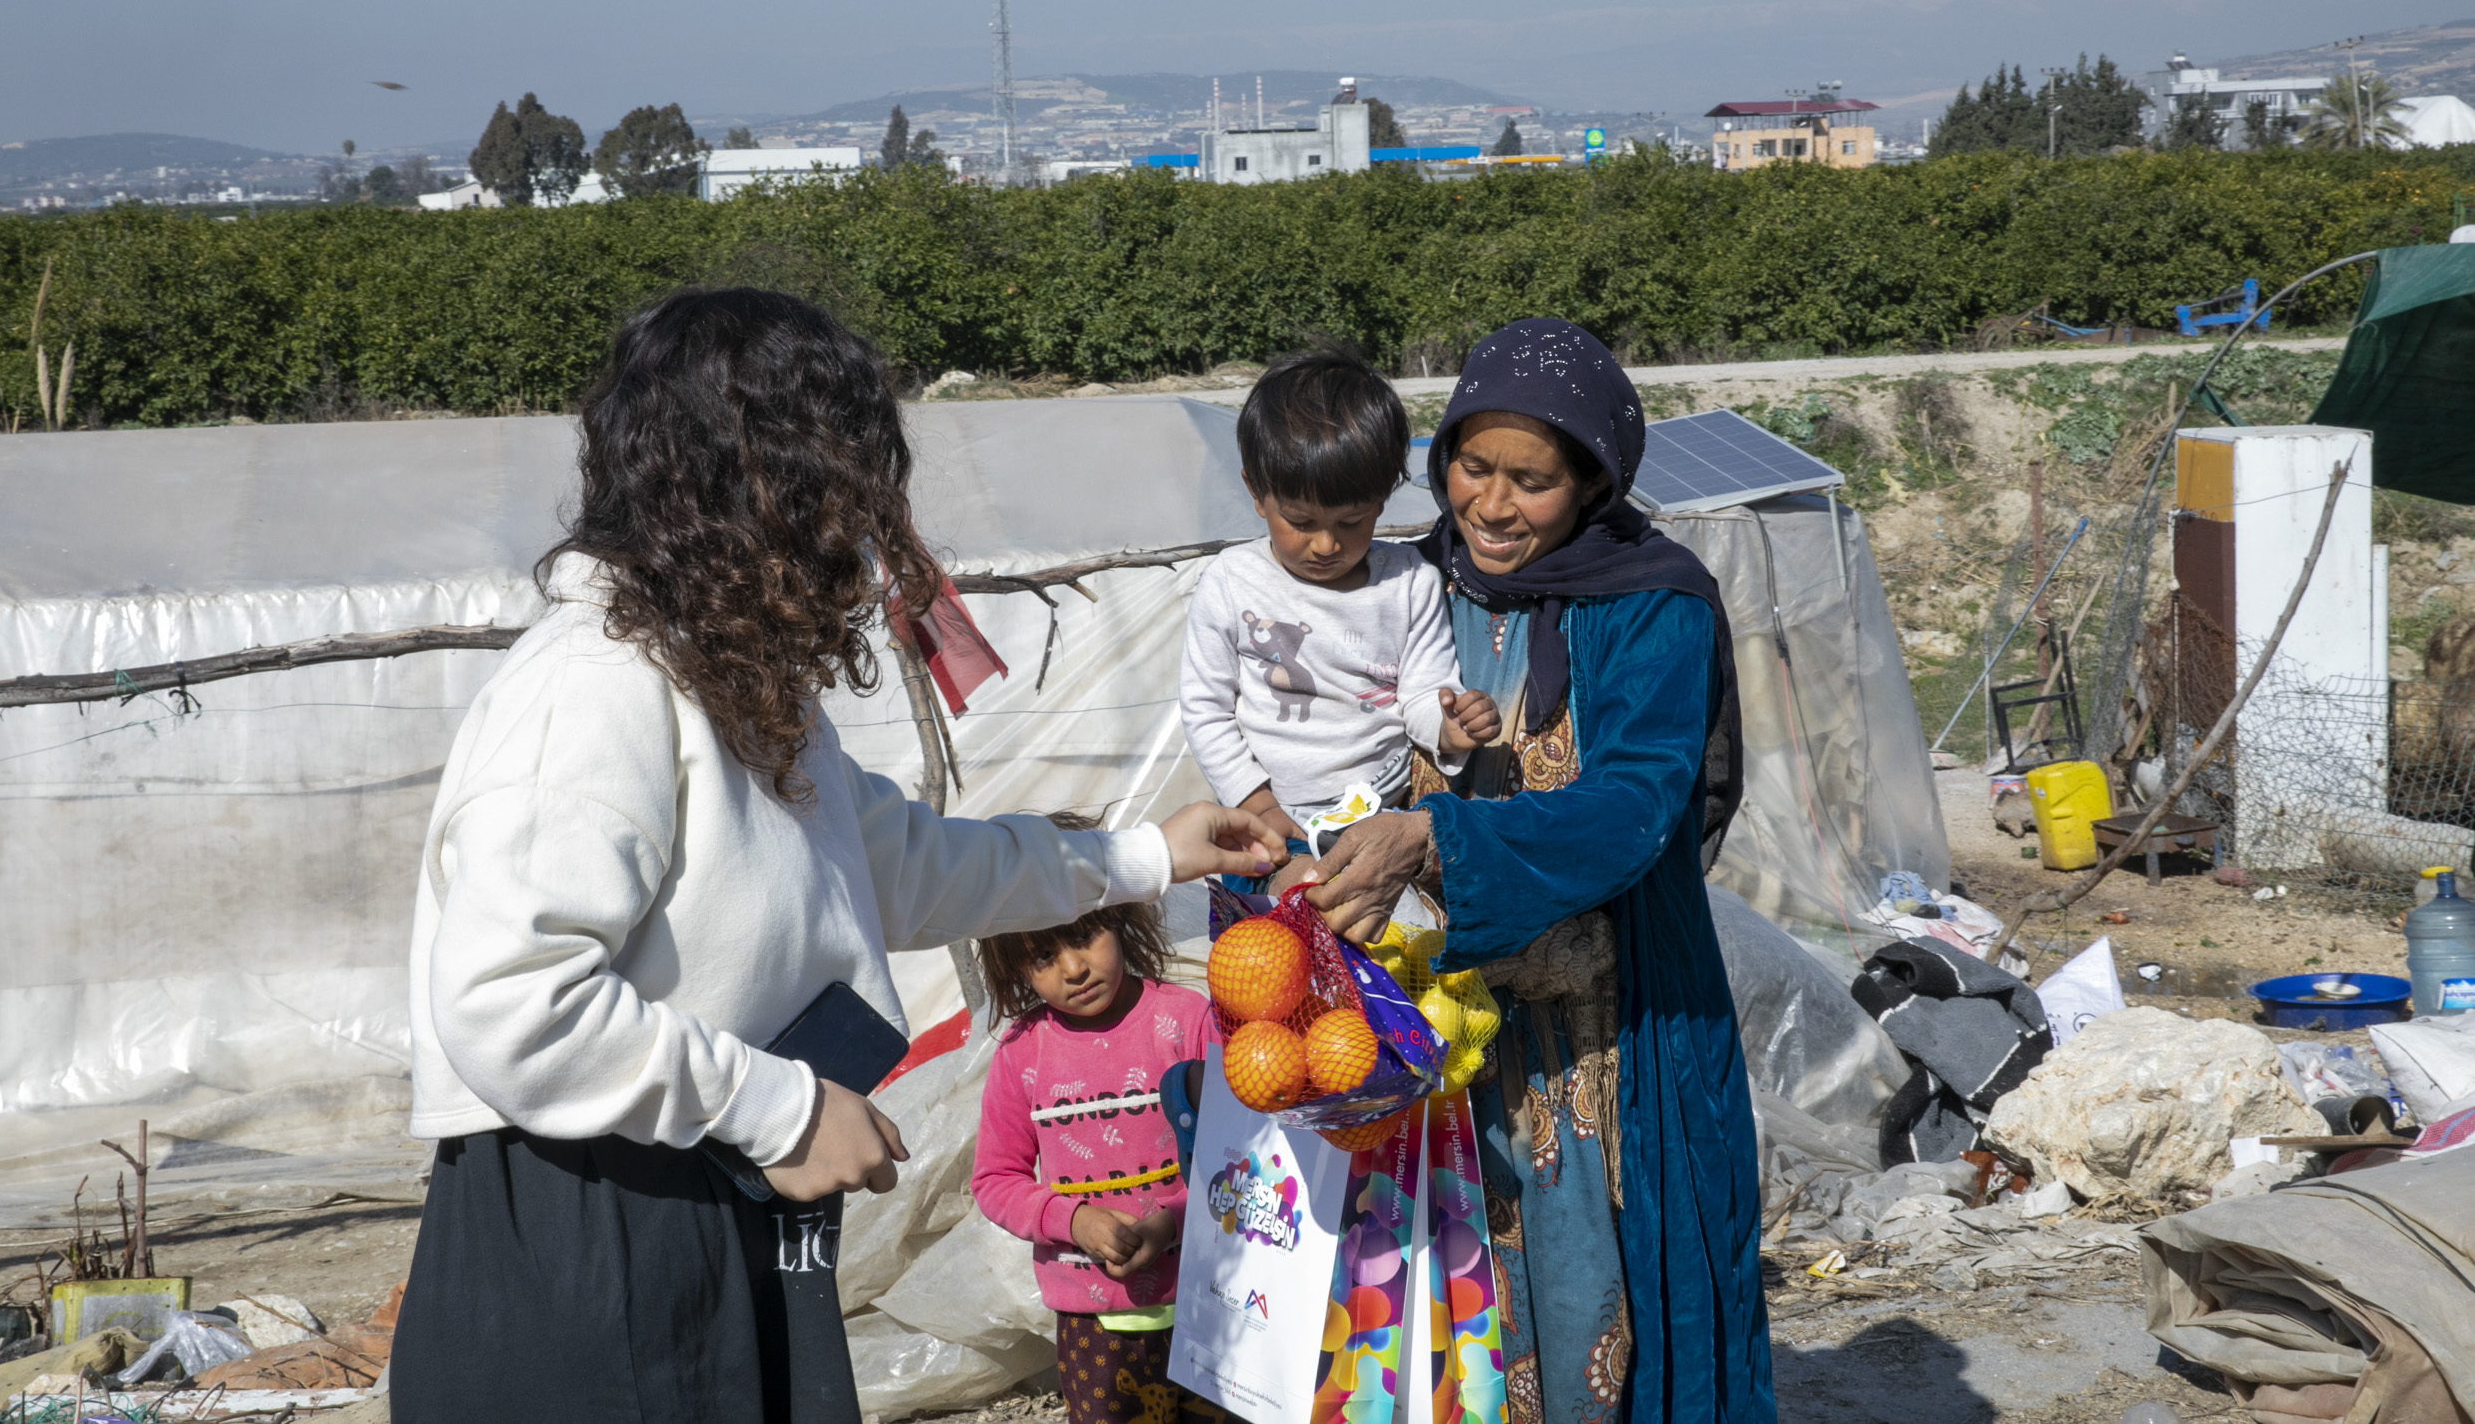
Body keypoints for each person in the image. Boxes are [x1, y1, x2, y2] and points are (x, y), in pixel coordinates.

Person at [393, 289, 1283, 1424]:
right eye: (839, 503)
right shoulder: (592, 688)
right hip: (598, 1224)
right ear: (744, 491)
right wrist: (783, 1111)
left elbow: (896, 864)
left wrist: (1143, 853)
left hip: (711, 1178)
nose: (863, 551)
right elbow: (512, 1002)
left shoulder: (727, 679)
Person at [1284, 319, 1772, 1423]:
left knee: (1608, 1295)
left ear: (1592, 479)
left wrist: (1440, 840)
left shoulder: (1654, 603)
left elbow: (1640, 799)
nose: (1491, 506)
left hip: (1610, 1032)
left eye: (1532, 481)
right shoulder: (1407, 586)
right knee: (1436, 1328)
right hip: (1431, 1039)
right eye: (1471, 466)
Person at [1178, 349, 1499, 853]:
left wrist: (1450, 727)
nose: (1326, 545)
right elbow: (1206, 709)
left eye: (1352, 522)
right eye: (1301, 522)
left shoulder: (1411, 582)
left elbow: (1421, 693)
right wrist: (1255, 800)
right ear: (1256, 492)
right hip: (1270, 816)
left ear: (1383, 498)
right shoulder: (1231, 582)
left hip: (1384, 810)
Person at [969, 897, 1228, 1424]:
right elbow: (996, 1179)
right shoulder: (1023, 1053)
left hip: (1215, 1300)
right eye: (1042, 956)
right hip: (1095, 1324)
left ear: (1120, 919)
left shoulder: (1187, 1022)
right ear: (1018, 969)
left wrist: (1172, 1224)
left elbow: (1240, 1158)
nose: (1074, 968)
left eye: (1085, 937)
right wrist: (1075, 1220)